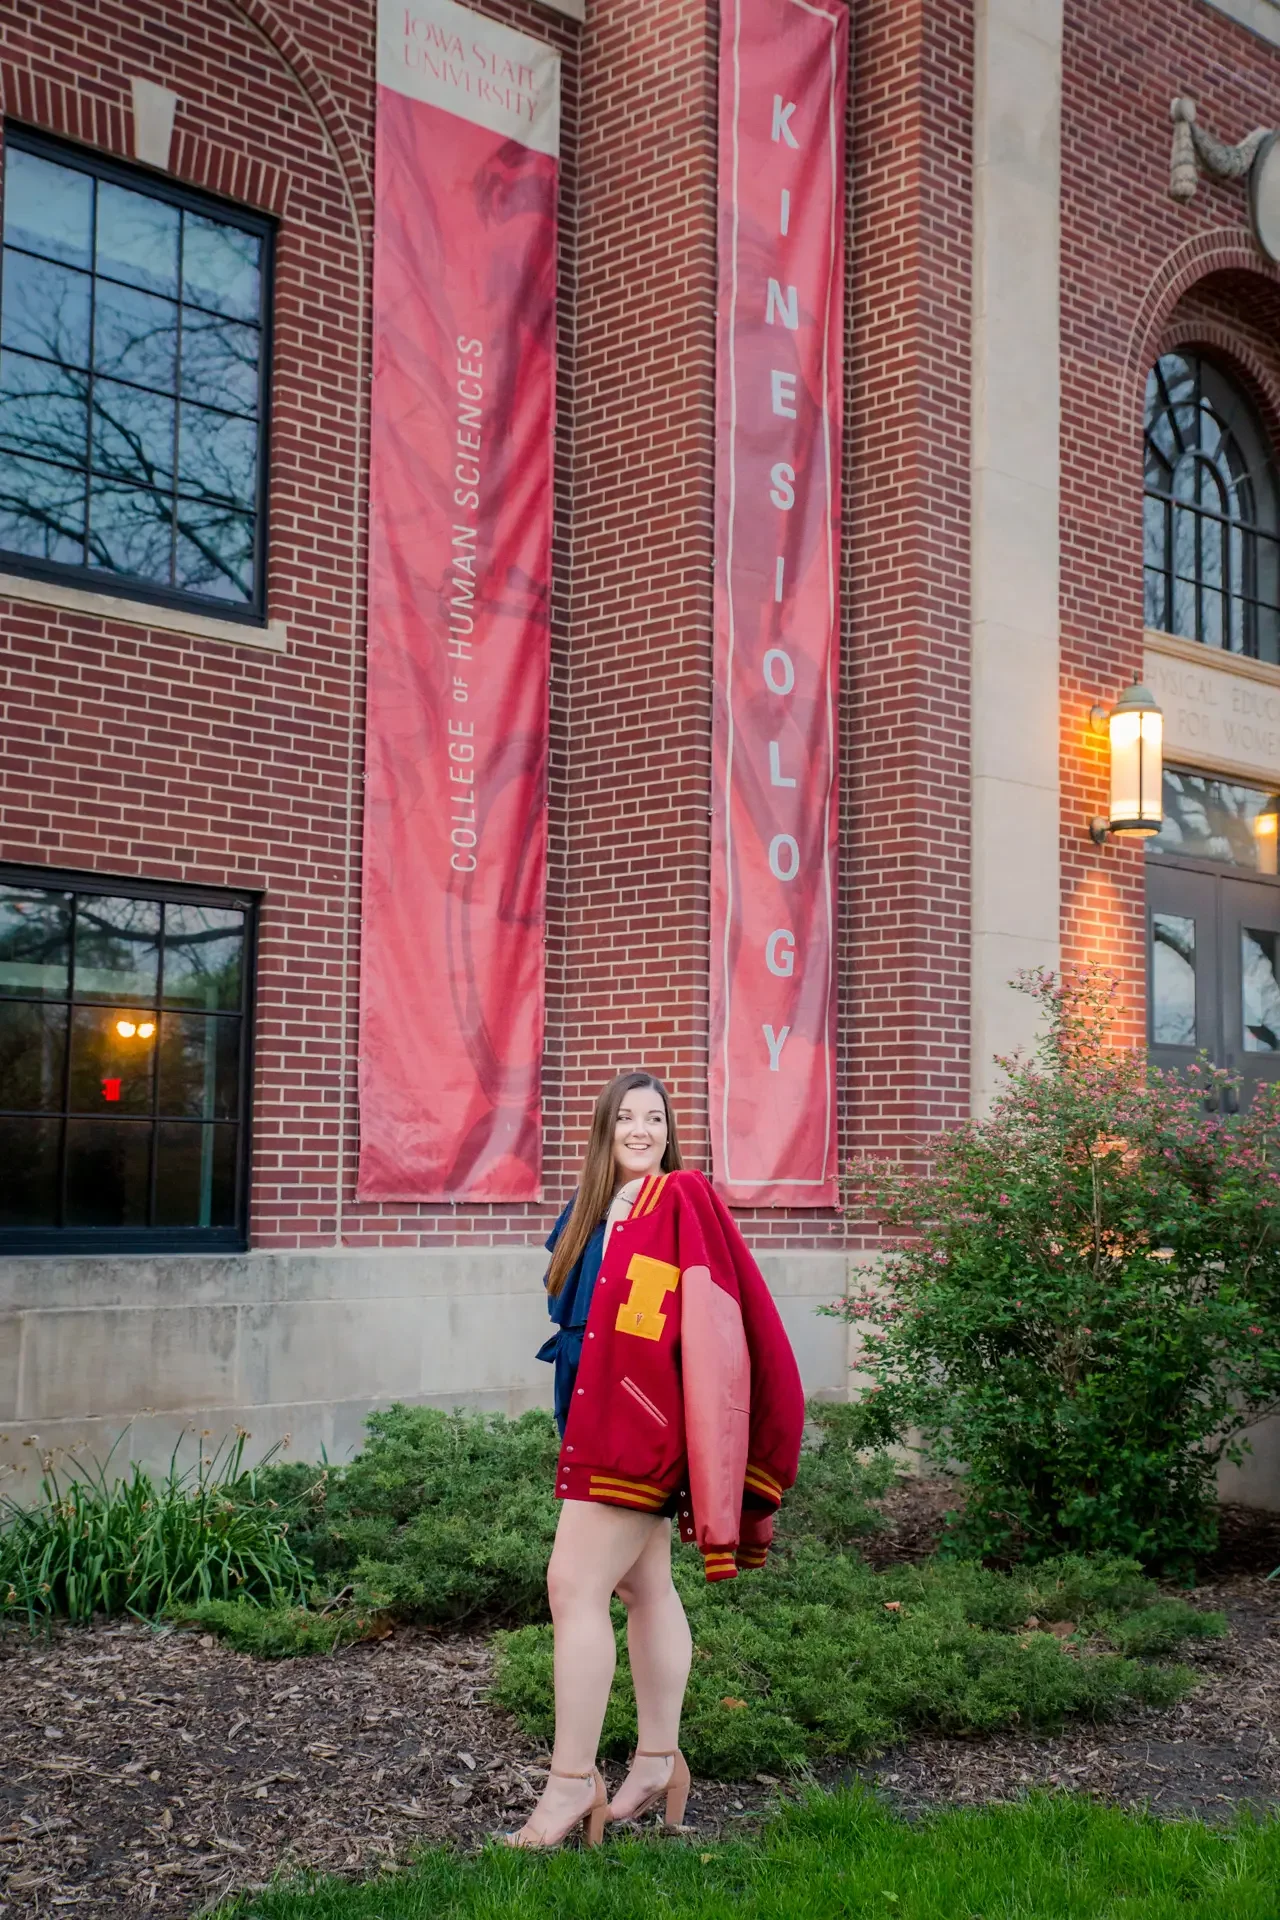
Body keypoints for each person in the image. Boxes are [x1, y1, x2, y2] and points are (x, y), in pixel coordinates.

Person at [506, 1070, 805, 1850]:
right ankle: (657, 1761)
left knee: (571, 1586)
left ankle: (572, 1782)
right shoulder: (591, 1214)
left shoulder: (679, 1201)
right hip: (598, 1421)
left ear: (670, 1132)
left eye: (655, 1118)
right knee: (644, 1586)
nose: (641, 1130)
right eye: (626, 1118)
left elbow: (714, 1319)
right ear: (604, 1131)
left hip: (638, 1431)